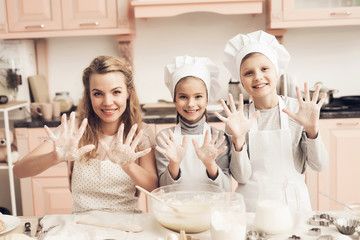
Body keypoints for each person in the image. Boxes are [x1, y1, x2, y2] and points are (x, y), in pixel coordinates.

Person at [13, 56, 158, 214]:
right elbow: (19, 171)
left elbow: (154, 188)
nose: (108, 102)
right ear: (89, 96)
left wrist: (129, 166)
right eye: (98, 94)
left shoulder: (140, 133)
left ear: (128, 92)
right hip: (81, 224)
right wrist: (54, 157)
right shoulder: (73, 130)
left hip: (128, 224)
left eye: (116, 92)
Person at [215, 30, 329, 212]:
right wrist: (238, 140)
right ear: (242, 82)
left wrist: (312, 130)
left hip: (294, 207)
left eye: (264, 69)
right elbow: (241, 177)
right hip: (253, 210)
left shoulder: (298, 111)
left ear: (277, 72)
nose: (258, 76)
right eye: (248, 73)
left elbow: (319, 165)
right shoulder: (238, 118)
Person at [155, 55, 232, 191]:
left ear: (207, 99)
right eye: (183, 97)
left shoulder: (219, 138)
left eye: (198, 96)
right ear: (174, 100)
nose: (191, 104)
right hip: (177, 210)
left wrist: (210, 164)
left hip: (211, 210)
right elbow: (163, 189)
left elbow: (226, 189)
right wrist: (174, 163)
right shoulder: (165, 138)